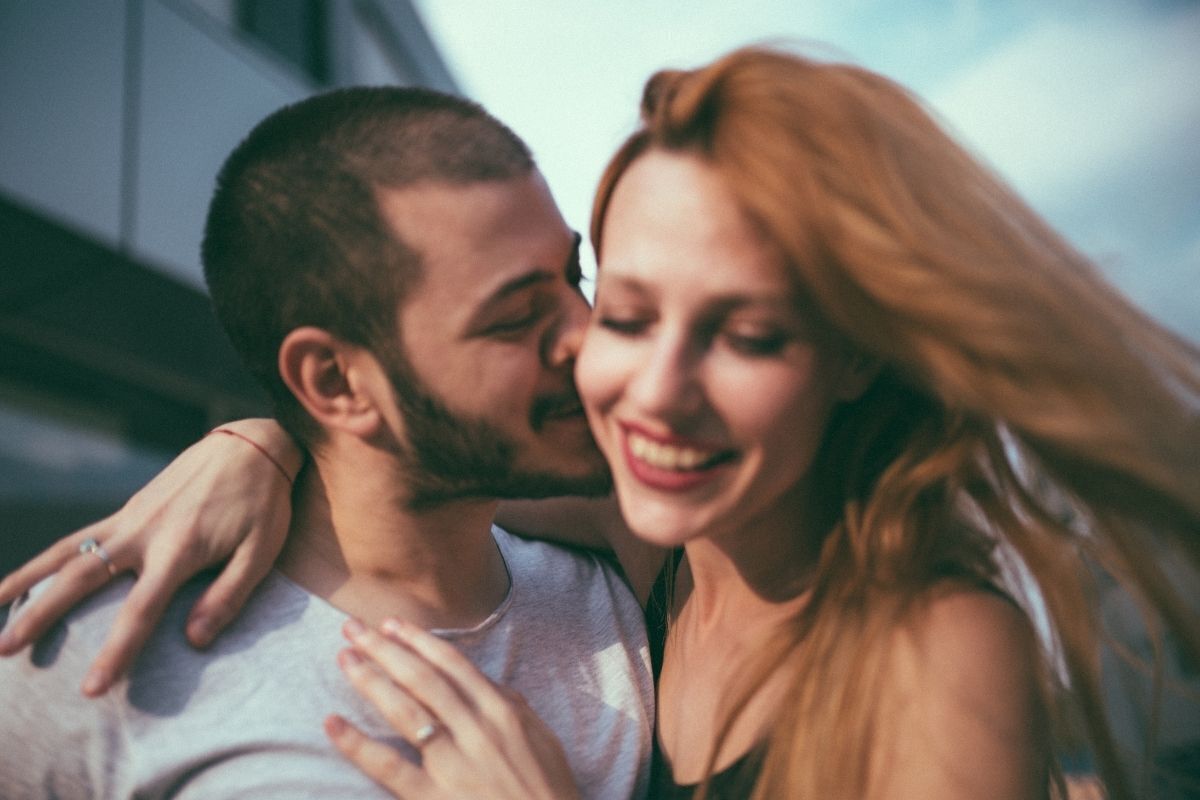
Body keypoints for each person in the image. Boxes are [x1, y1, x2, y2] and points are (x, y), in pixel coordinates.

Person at [4, 45, 1199, 799]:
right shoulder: (651, 536)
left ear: (853, 354)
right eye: (625, 307)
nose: (625, 371)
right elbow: (386, 468)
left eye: (749, 334)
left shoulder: (926, 645)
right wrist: (249, 445)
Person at [0, 86, 654, 799]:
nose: (588, 333)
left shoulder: (630, 574)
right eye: (516, 316)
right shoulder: (102, 650)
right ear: (336, 382)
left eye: (572, 277)